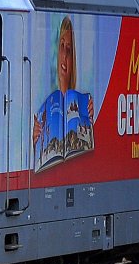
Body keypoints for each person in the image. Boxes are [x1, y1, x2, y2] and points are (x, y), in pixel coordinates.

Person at [33, 17, 94, 169]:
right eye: (62, 47)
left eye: (69, 49)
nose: (65, 57)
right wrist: (34, 140)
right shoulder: (42, 103)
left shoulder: (85, 102)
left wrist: (92, 121)